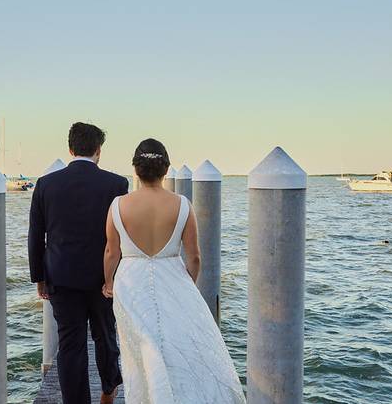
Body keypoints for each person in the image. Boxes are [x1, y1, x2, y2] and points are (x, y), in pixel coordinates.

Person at [103, 138, 246, 403]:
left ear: (135, 169)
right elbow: (194, 256)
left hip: (130, 282)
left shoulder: (117, 205)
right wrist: (185, 285)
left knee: (140, 352)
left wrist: (108, 283)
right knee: (176, 347)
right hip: (174, 278)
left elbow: (112, 252)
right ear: (166, 169)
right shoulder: (182, 205)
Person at [28, 122, 128, 404]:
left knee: (71, 346)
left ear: (70, 149)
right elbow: (121, 236)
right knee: (106, 336)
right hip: (103, 279)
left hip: (61, 277)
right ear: (99, 150)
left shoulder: (46, 184)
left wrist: (39, 278)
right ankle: (109, 390)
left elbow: (36, 235)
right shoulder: (117, 184)